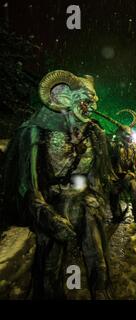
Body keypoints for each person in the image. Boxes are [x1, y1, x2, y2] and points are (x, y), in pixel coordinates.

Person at [1, 70, 115, 299]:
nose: (93, 103)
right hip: (51, 204)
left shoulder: (93, 133)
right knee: (50, 272)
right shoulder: (36, 131)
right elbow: (27, 184)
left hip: (85, 203)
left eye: (94, 98)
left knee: (98, 263)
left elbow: (96, 175)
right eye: (87, 97)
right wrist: (47, 216)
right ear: (62, 96)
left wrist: (96, 197)